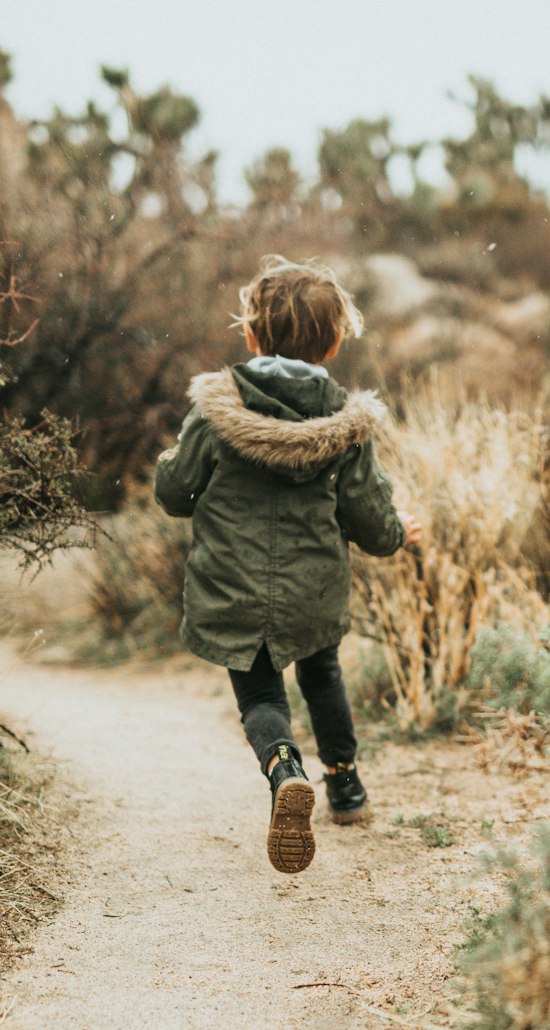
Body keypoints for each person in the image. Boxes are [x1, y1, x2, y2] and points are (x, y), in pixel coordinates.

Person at [154, 254, 421, 875]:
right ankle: (347, 787)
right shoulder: (346, 425)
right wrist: (398, 533)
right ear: (332, 343)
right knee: (322, 675)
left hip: (233, 589)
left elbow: (173, 495)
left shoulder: (214, 412)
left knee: (259, 694)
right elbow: (369, 519)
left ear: (250, 335)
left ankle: (283, 769)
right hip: (313, 590)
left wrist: (180, 458)